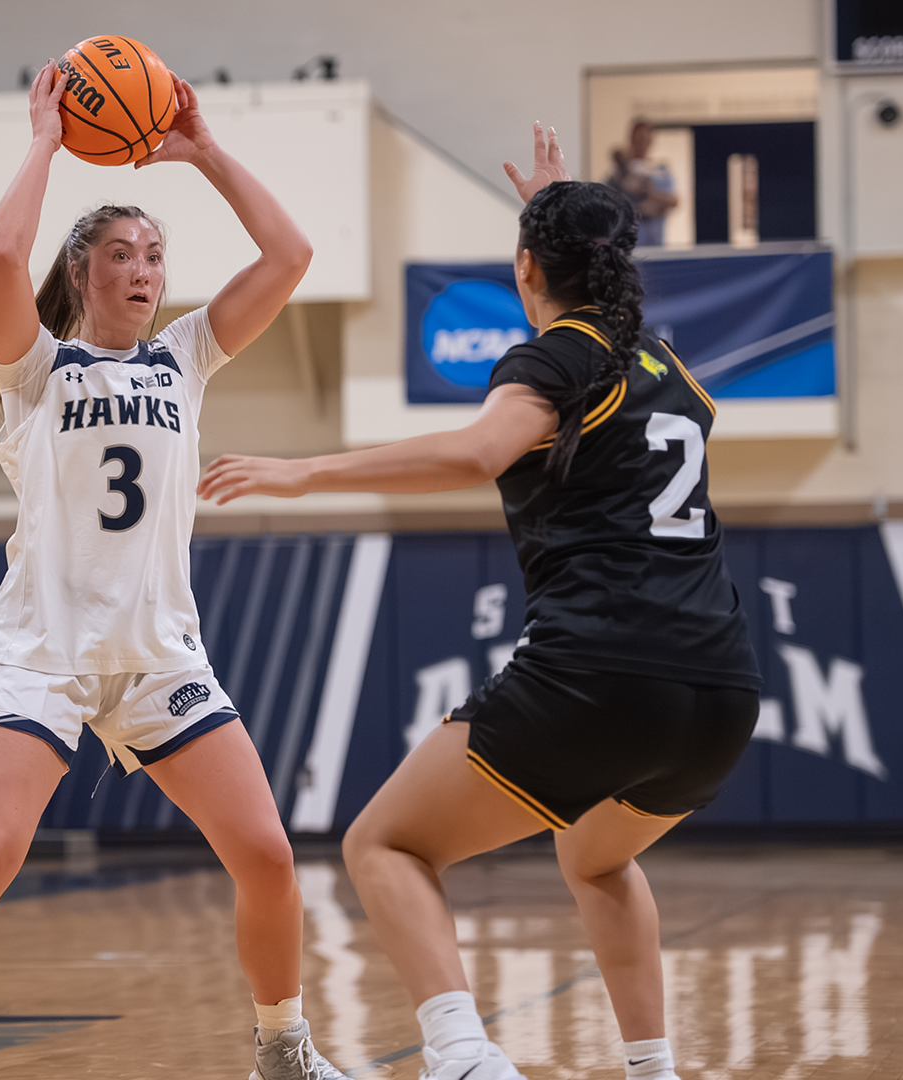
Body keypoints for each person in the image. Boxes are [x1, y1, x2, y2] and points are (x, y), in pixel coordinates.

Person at [197, 125, 761, 1080]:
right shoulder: (664, 365)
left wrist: (303, 471)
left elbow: (473, 453)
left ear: (527, 267)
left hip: (601, 671)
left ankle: (461, 1054)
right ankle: (653, 1071)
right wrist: (554, 212)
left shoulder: (552, 361)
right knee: (594, 858)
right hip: (721, 692)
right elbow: (587, 275)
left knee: (385, 844)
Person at [0, 65, 339, 1080]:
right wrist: (44, 137)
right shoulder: (33, 372)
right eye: (123, 251)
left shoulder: (186, 359)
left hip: (160, 656)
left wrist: (205, 147)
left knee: (267, 855)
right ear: (83, 270)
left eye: (157, 255)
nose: (146, 268)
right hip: (44, 653)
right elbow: (1, 248)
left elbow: (292, 253)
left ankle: (282, 1045)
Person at [607, 120, 678, 247]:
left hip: (654, 243)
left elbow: (673, 201)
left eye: (644, 139)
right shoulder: (618, 175)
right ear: (631, 140)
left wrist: (650, 192)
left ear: (651, 141)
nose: (641, 144)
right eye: (637, 139)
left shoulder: (660, 171)